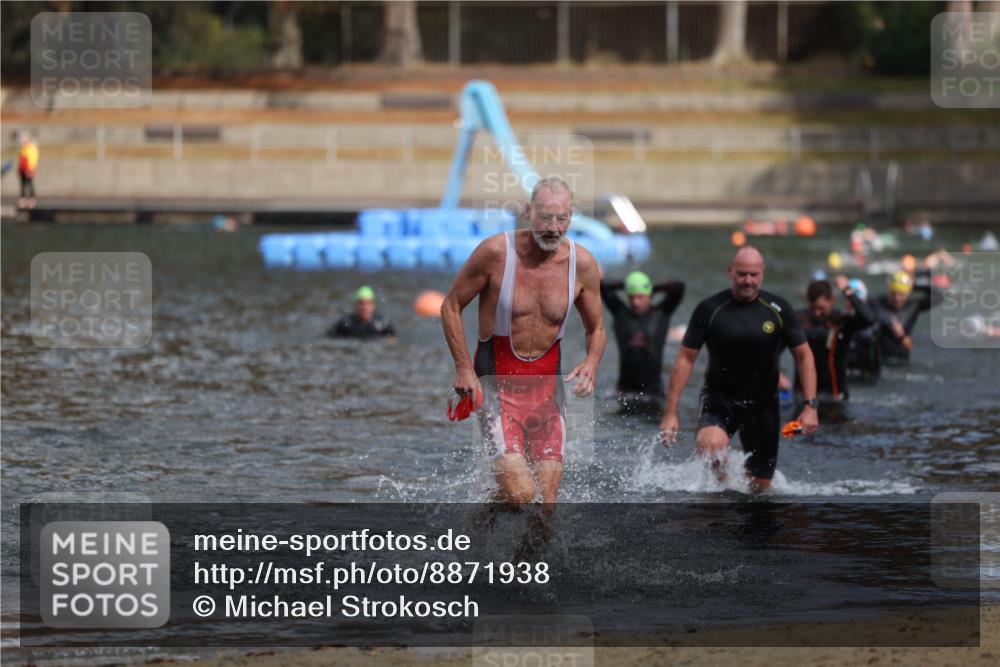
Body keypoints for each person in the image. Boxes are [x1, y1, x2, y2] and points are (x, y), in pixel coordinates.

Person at [441, 177, 605, 506]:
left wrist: (590, 364)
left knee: (546, 506)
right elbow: (451, 306)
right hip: (496, 390)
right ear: (529, 211)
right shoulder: (495, 253)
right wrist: (463, 368)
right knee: (520, 496)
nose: (553, 228)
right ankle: (488, 522)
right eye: (545, 217)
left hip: (547, 396)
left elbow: (596, 327)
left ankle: (512, 550)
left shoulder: (581, 264)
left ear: (571, 217)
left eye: (561, 219)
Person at [658, 246, 819, 493]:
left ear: (762, 273)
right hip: (720, 399)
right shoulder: (710, 309)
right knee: (710, 444)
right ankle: (724, 486)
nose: (748, 281)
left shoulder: (779, 309)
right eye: (742, 274)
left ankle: (740, 491)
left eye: (754, 274)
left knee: (760, 489)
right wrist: (670, 412)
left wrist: (810, 406)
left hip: (764, 405)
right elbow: (684, 360)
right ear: (730, 272)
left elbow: (804, 356)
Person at [601, 271, 685, 415]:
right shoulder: (621, 314)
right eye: (631, 297)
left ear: (650, 296)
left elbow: (679, 288)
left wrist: (652, 286)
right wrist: (628, 284)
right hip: (624, 392)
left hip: (653, 393)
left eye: (640, 296)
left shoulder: (662, 313)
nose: (635, 302)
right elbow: (603, 287)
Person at [794, 276, 876, 420]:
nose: (817, 313)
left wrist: (847, 291)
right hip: (803, 398)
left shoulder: (843, 322)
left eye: (821, 308)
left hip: (835, 398)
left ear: (832, 300)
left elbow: (869, 319)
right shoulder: (799, 320)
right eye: (813, 308)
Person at [870, 270, 939, 366]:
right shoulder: (877, 303)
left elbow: (938, 296)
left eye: (901, 294)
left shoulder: (913, 306)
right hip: (880, 360)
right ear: (889, 291)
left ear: (908, 293)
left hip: (901, 360)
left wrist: (914, 285)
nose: (897, 298)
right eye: (894, 293)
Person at [328, 286, 396, 339]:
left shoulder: (383, 324)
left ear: (373, 305)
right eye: (361, 303)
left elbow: (392, 341)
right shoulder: (345, 324)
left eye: (368, 303)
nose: (365, 307)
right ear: (355, 305)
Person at [16, 131, 39, 210]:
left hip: (28, 169)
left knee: (29, 183)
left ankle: (32, 199)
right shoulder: (24, 148)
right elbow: (21, 160)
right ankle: (23, 199)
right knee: (23, 184)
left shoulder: (31, 148)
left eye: (23, 140)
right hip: (22, 169)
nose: (22, 142)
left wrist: (30, 170)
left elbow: (32, 160)